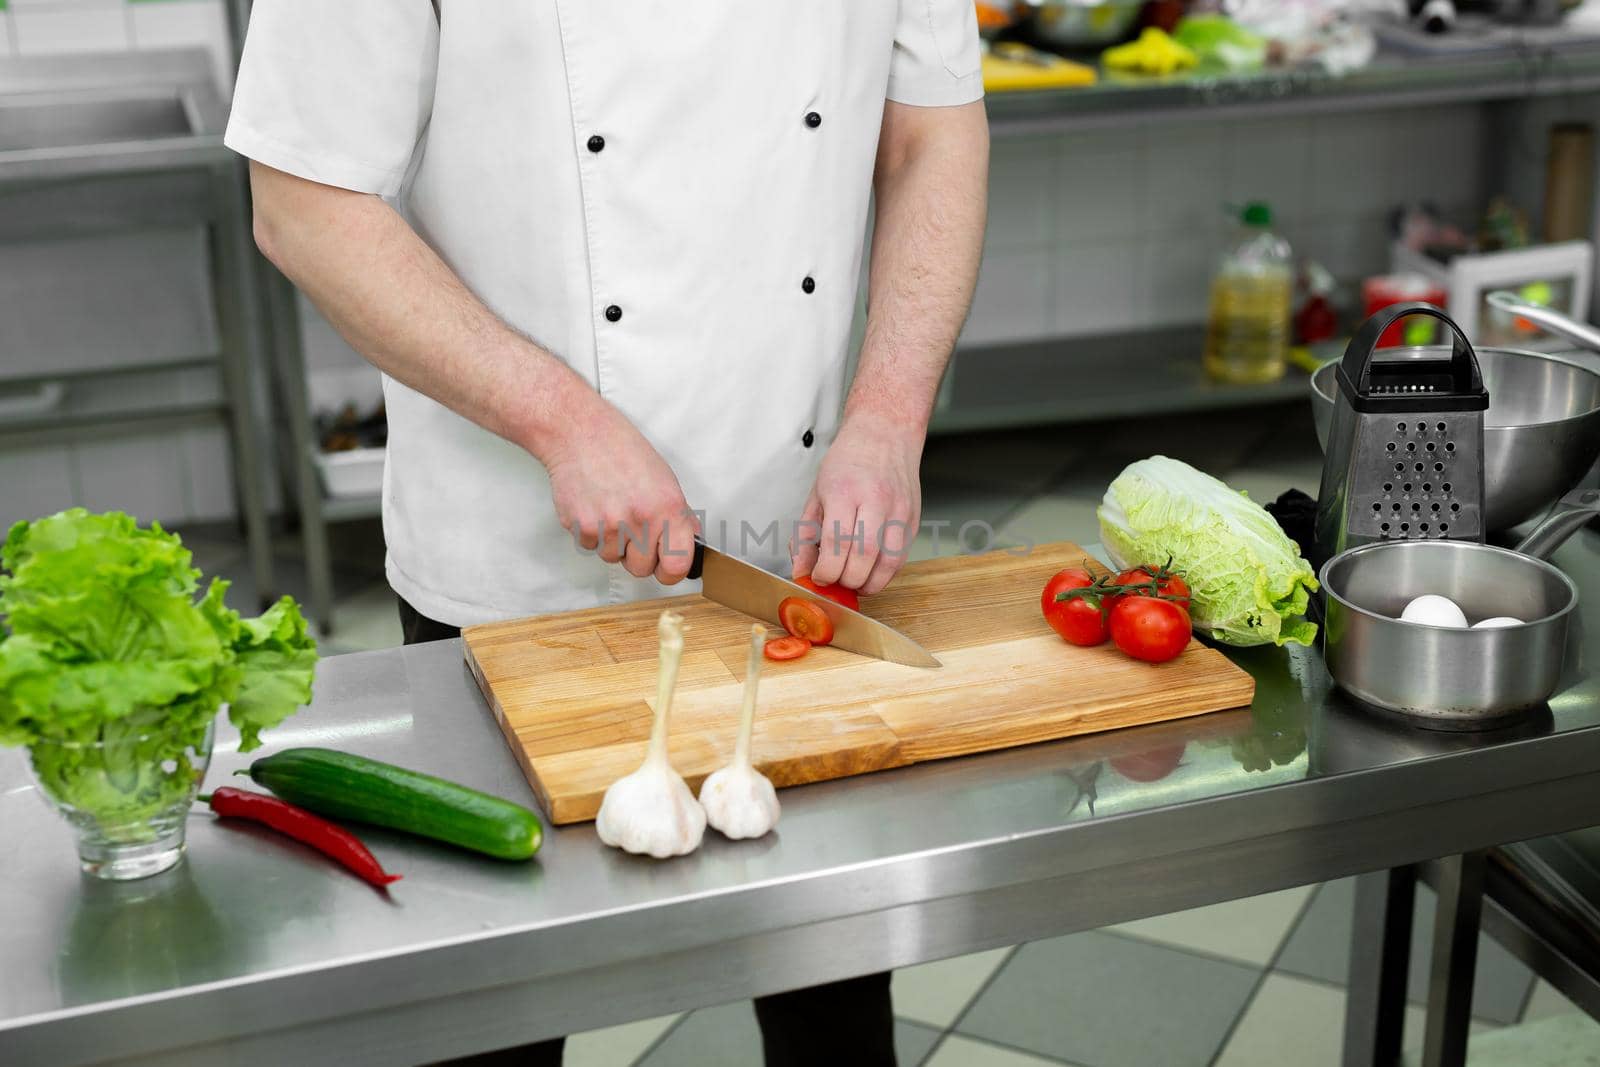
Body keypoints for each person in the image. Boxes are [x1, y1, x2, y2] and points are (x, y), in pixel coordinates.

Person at [226, 2, 988, 1063]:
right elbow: (304, 201)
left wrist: (890, 412)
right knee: (501, 1004)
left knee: (827, 972)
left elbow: (931, 128)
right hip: (514, 549)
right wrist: (559, 418)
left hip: (793, 529)